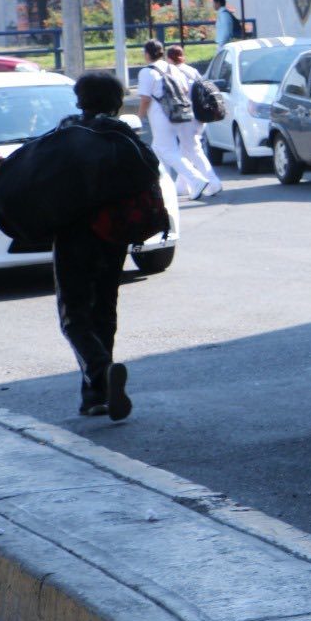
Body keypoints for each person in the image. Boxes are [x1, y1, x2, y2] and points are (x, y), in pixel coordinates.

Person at [53, 72, 154, 421]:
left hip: (73, 236)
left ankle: (98, 373)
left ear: (80, 101)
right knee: (104, 313)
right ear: (116, 102)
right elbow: (150, 172)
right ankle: (95, 396)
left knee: (73, 316)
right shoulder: (123, 136)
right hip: (113, 236)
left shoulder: (65, 133)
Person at [136, 40, 210, 199]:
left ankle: (196, 180)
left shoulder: (147, 72)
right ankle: (163, 186)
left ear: (147, 54)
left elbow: (145, 99)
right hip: (176, 114)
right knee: (158, 149)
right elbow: (183, 89)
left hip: (160, 116)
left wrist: (138, 118)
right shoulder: (171, 68)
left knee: (166, 151)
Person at [165, 43, 222, 199]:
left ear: (169, 58)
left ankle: (213, 182)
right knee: (185, 150)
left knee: (194, 151)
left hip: (186, 117)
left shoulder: (173, 71)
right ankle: (182, 186)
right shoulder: (192, 71)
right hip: (199, 116)